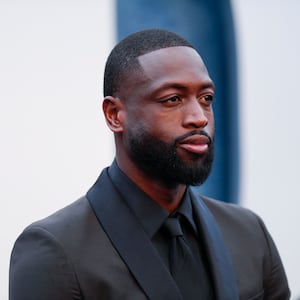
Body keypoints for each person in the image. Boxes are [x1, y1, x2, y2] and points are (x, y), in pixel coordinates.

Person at [9, 29, 290, 300]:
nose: (198, 117)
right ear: (115, 115)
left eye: (206, 99)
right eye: (173, 99)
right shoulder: (54, 250)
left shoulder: (249, 233)